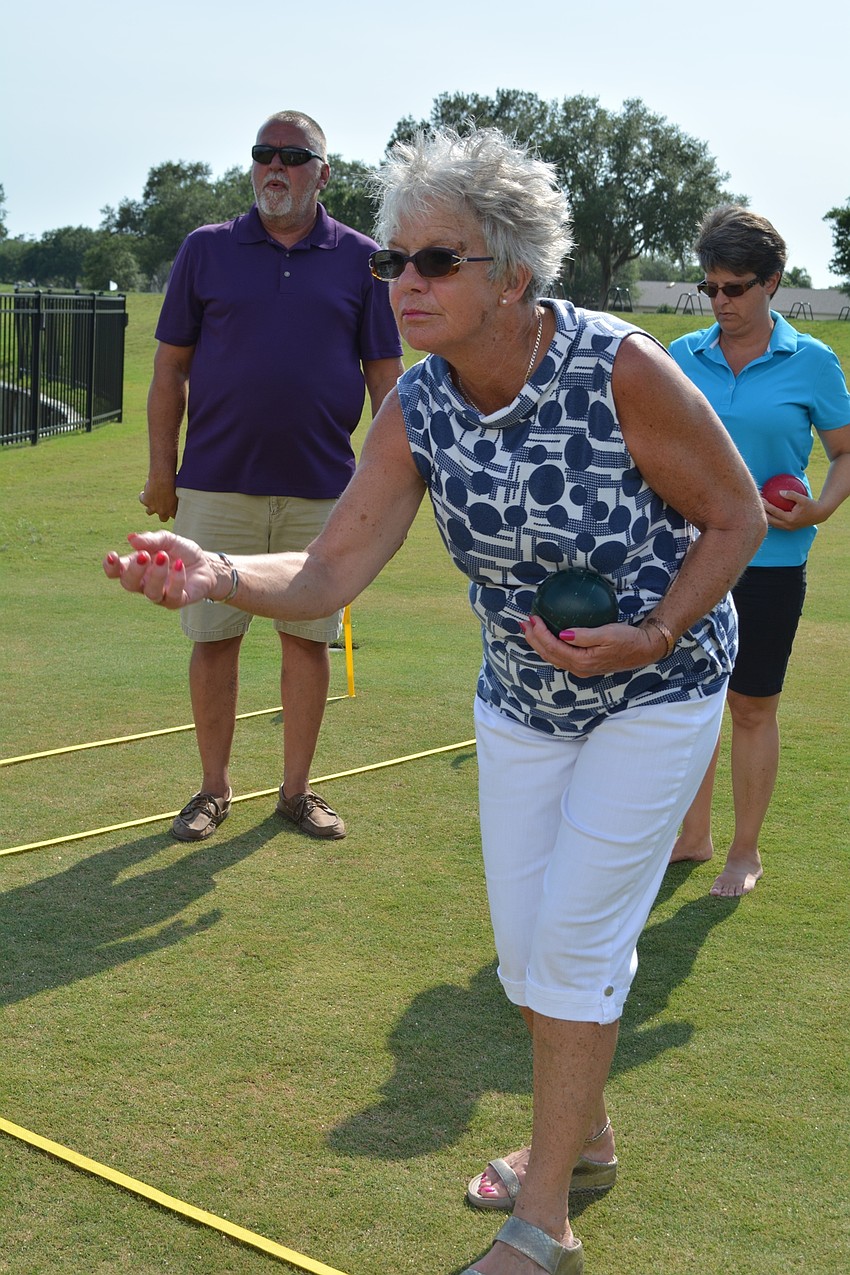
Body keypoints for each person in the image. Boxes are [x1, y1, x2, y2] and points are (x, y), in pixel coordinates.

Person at [106, 129, 765, 1275]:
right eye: (391, 262)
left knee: (574, 943)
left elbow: (737, 516)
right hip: (520, 698)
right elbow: (328, 570)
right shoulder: (418, 405)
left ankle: (544, 1221)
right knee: (525, 954)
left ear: (512, 273)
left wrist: (654, 631)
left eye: (433, 261)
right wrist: (215, 572)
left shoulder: (618, 369)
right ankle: (586, 1134)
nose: (402, 282)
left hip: (655, 691)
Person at [141, 109, 403, 843]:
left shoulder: (363, 259)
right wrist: (162, 471)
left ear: (323, 173)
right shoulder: (206, 248)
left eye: (293, 156)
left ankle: (295, 792)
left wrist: (386, 484)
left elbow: (387, 380)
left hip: (323, 490)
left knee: (307, 642)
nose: (275, 168)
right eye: (264, 154)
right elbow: (170, 368)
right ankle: (212, 788)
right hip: (215, 482)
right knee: (213, 639)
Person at [668, 206, 850, 898]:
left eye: (735, 288)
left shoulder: (813, 363)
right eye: (710, 287)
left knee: (750, 707)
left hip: (772, 564)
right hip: (688, 559)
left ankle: (744, 851)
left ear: (772, 282)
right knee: (691, 704)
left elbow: (845, 453)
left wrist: (821, 507)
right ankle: (693, 835)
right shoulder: (679, 357)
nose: (720, 302)